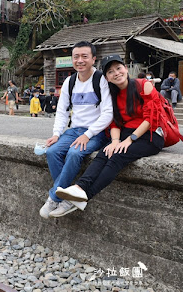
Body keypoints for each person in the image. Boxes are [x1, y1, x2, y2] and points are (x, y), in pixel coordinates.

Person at [53, 54, 166, 212]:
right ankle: (79, 188)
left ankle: (85, 196)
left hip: (151, 135)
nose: (116, 73)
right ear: (106, 77)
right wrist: (114, 141)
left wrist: (129, 140)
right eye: (111, 72)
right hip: (127, 133)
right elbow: (115, 122)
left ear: (126, 69)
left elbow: (151, 118)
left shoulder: (144, 85)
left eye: (119, 68)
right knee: (105, 152)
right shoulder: (112, 94)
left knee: (118, 155)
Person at [40, 41, 113, 218]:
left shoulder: (101, 80)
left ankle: (54, 197)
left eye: (84, 56)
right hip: (74, 130)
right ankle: (67, 197)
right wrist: (57, 134)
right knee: (52, 151)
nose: (80, 60)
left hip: (96, 131)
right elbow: (62, 110)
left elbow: (108, 113)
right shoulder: (70, 82)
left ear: (93, 59)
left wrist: (88, 135)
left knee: (74, 153)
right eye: (76, 57)